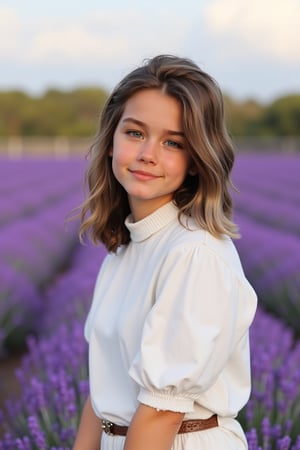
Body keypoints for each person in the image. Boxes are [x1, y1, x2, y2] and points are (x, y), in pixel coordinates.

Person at [73, 54, 257, 450]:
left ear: (196, 161)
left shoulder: (194, 254)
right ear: (111, 140)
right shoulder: (123, 250)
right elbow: (103, 394)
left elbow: (160, 413)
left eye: (173, 142)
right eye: (135, 133)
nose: (148, 154)